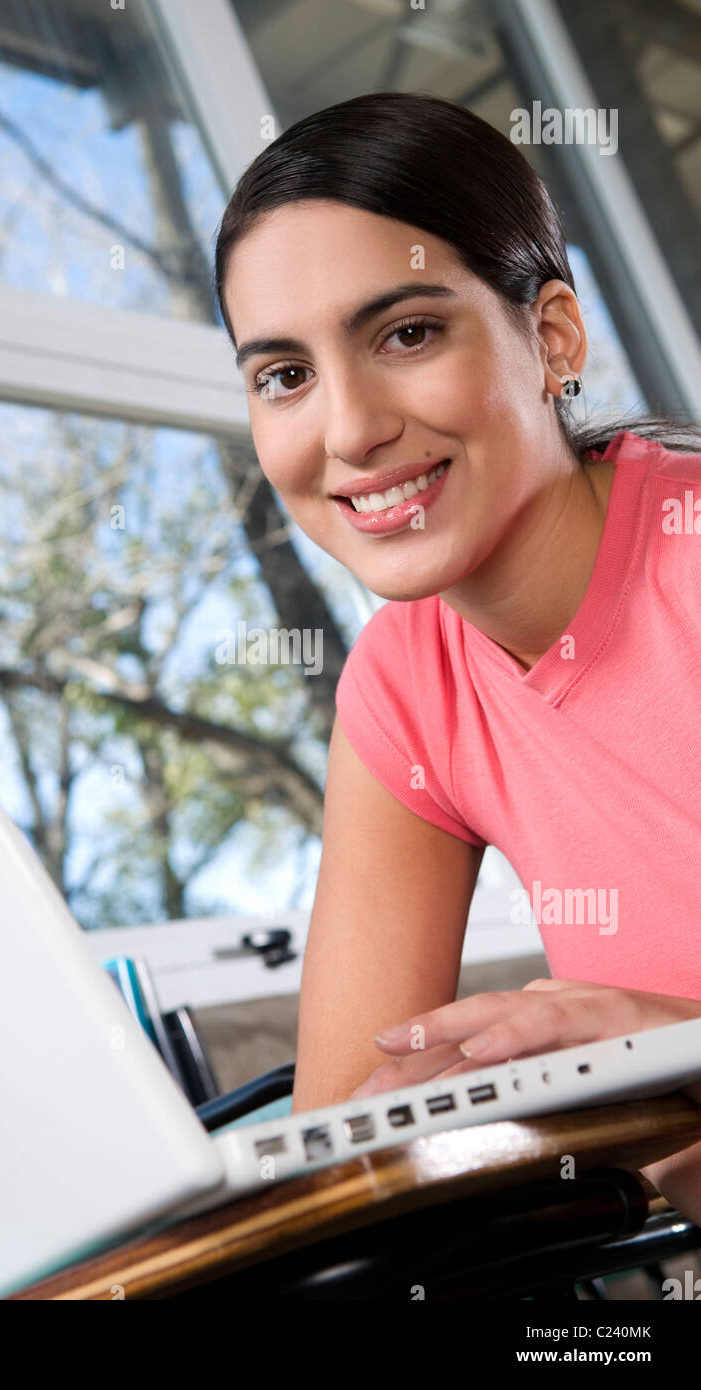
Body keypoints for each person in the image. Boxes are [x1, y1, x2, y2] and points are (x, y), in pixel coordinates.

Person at [213, 91, 701, 1223]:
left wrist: (672, 1041)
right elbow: (343, 1144)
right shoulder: (404, 682)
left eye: (406, 333)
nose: (346, 432)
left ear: (551, 338)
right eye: (283, 374)